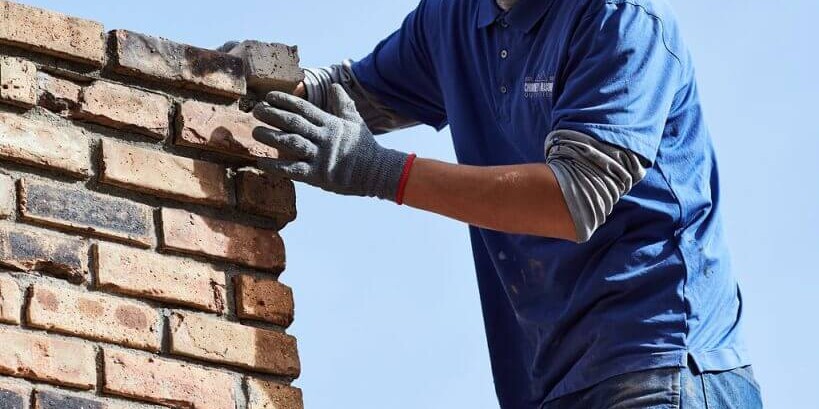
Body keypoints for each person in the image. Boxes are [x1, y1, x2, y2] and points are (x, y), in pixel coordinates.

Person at [243, 0, 763, 407]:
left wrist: (380, 171)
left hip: (658, 365)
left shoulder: (618, 18)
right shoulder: (452, 18)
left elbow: (573, 197)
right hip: (551, 382)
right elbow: (349, 94)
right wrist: (234, 85)